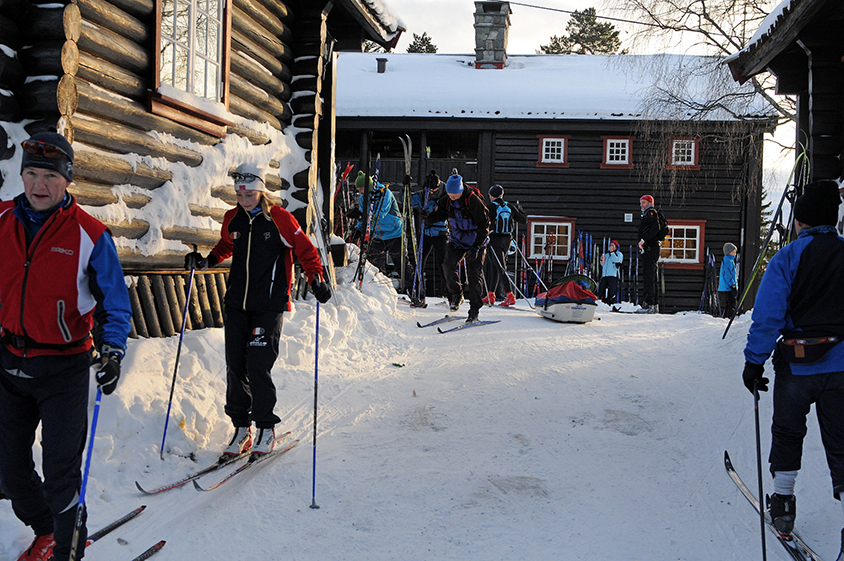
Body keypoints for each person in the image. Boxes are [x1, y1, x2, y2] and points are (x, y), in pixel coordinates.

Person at [0, 131, 132, 561]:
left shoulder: (90, 235)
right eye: (32, 174)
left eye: (49, 177)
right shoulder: (1, 220)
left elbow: (116, 304)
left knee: (60, 475)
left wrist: (112, 351)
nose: (39, 185)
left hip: (63, 369)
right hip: (9, 365)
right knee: (10, 469)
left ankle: (67, 552)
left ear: (67, 181)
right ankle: (46, 532)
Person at [185, 162, 331, 459]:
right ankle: (241, 428)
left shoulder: (280, 219)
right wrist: (206, 262)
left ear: (261, 190)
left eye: (249, 193)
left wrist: (316, 278)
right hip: (237, 303)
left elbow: (306, 250)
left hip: (269, 304)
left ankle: (265, 426)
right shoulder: (232, 219)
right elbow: (226, 246)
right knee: (236, 366)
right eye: (239, 194)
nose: (244, 198)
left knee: (258, 365)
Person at [742, 180, 844, 541]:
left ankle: (783, 506)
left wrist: (754, 362)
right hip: (841, 366)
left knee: (787, 430)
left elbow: (768, 316)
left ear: (799, 221)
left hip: (797, 366)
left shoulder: (787, 258)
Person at [425, 174, 489, 323]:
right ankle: (456, 295)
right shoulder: (446, 201)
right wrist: (429, 218)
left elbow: (485, 225)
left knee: (474, 276)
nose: (452, 197)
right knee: (447, 265)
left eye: (455, 195)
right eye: (450, 194)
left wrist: (476, 247)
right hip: (457, 239)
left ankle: (474, 311)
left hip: (476, 240)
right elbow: (440, 214)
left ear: (461, 190)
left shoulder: (472, 200)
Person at [347, 171, 407, 284]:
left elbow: (381, 213)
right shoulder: (363, 199)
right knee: (374, 265)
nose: (360, 192)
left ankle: (414, 292)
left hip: (394, 233)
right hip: (377, 234)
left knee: (401, 264)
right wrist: (358, 228)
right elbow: (364, 217)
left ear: (368, 186)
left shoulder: (385, 193)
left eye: (361, 188)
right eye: (359, 189)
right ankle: (378, 290)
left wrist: (363, 216)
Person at [484, 184, 527, 306]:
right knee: (495, 266)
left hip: (494, 239)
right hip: (507, 240)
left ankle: (510, 295)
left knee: (500, 267)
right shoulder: (509, 206)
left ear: (491, 196)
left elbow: (483, 221)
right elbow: (523, 220)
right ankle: (491, 295)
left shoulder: (490, 207)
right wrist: (520, 210)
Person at [411, 170, 449, 303]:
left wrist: (430, 216)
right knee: (419, 263)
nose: (431, 192)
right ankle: (419, 295)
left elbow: (445, 213)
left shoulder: (446, 195)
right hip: (425, 233)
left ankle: (449, 296)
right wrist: (405, 188)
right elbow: (407, 199)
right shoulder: (422, 195)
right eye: (429, 190)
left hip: (440, 233)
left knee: (443, 264)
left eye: (434, 190)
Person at [636, 194, 662, 313]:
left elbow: (655, 228)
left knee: (649, 276)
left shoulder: (651, 213)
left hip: (650, 248)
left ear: (650, 203)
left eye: (644, 203)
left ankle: (650, 304)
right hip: (649, 248)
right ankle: (650, 303)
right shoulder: (646, 214)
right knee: (649, 275)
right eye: (641, 203)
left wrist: (644, 240)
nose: (641, 205)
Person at [598, 240, 623, 304]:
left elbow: (618, 261)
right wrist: (601, 260)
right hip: (605, 275)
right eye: (610, 245)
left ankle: (611, 302)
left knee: (612, 291)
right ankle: (602, 301)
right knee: (601, 289)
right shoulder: (606, 255)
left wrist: (612, 253)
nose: (611, 247)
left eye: (613, 245)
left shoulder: (619, 254)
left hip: (613, 275)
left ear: (616, 247)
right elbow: (603, 264)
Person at [719, 242, 738, 318]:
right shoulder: (727, 261)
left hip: (729, 285)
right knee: (731, 302)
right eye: (734, 251)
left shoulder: (730, 260)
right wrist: (732, 284)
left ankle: (727, 316)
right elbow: (727, 274)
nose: (735, 253)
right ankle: (729, 316)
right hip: (728, 286)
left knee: (729, 301)